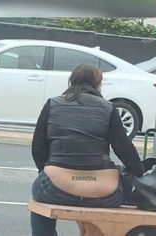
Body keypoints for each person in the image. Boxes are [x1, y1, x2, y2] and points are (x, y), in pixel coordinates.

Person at [30, 64, 144, 236]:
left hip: (55, 190)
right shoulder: (108, 108)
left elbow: (38, 148)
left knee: (38, 193)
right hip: (104, 194)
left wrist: (47, 171)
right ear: (98, 84)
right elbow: (124, 148)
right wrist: (140, 172)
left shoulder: (52, 104)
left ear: (71, 82)